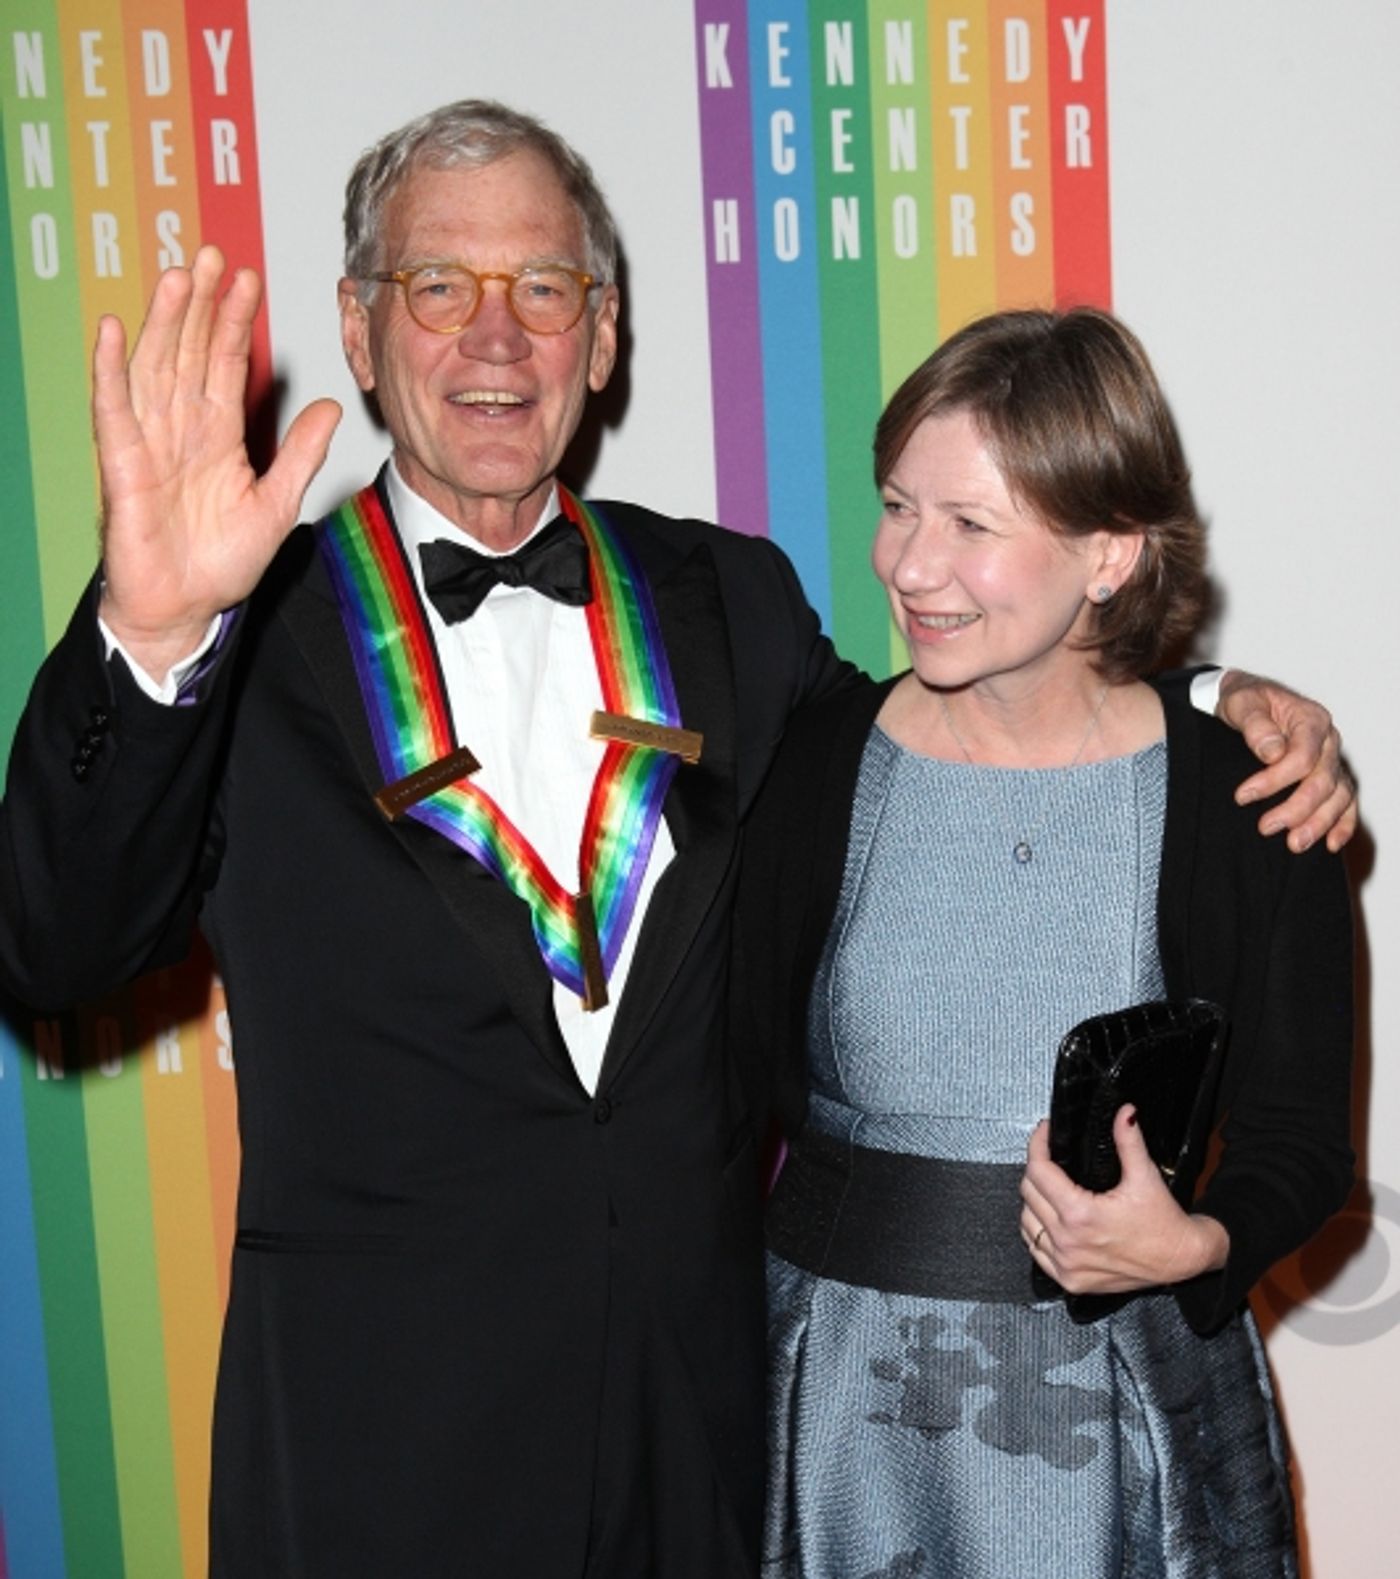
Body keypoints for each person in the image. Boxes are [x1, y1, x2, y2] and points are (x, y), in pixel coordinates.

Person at [0, 100, 1351, 1578]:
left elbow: (973, 720)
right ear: (358, 327)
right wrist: (150, 633)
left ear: (602, 334)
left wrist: (1210, 695)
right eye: (438, 285)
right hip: (379, 1449)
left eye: (544, 287)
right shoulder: (244, 644)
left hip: (708, 1444)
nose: (496, 336)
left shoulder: (729, 603)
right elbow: (56, 946)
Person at [739, 307, 1355, 1578]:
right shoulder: (806, 763)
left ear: (1108, 551)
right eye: (897, 506)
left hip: (1133, 1425)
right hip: (842, 1422)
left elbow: (1300, 1143)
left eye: (969, 524)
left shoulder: (1252, 799)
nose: (908, 564)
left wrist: (1196, 1245)